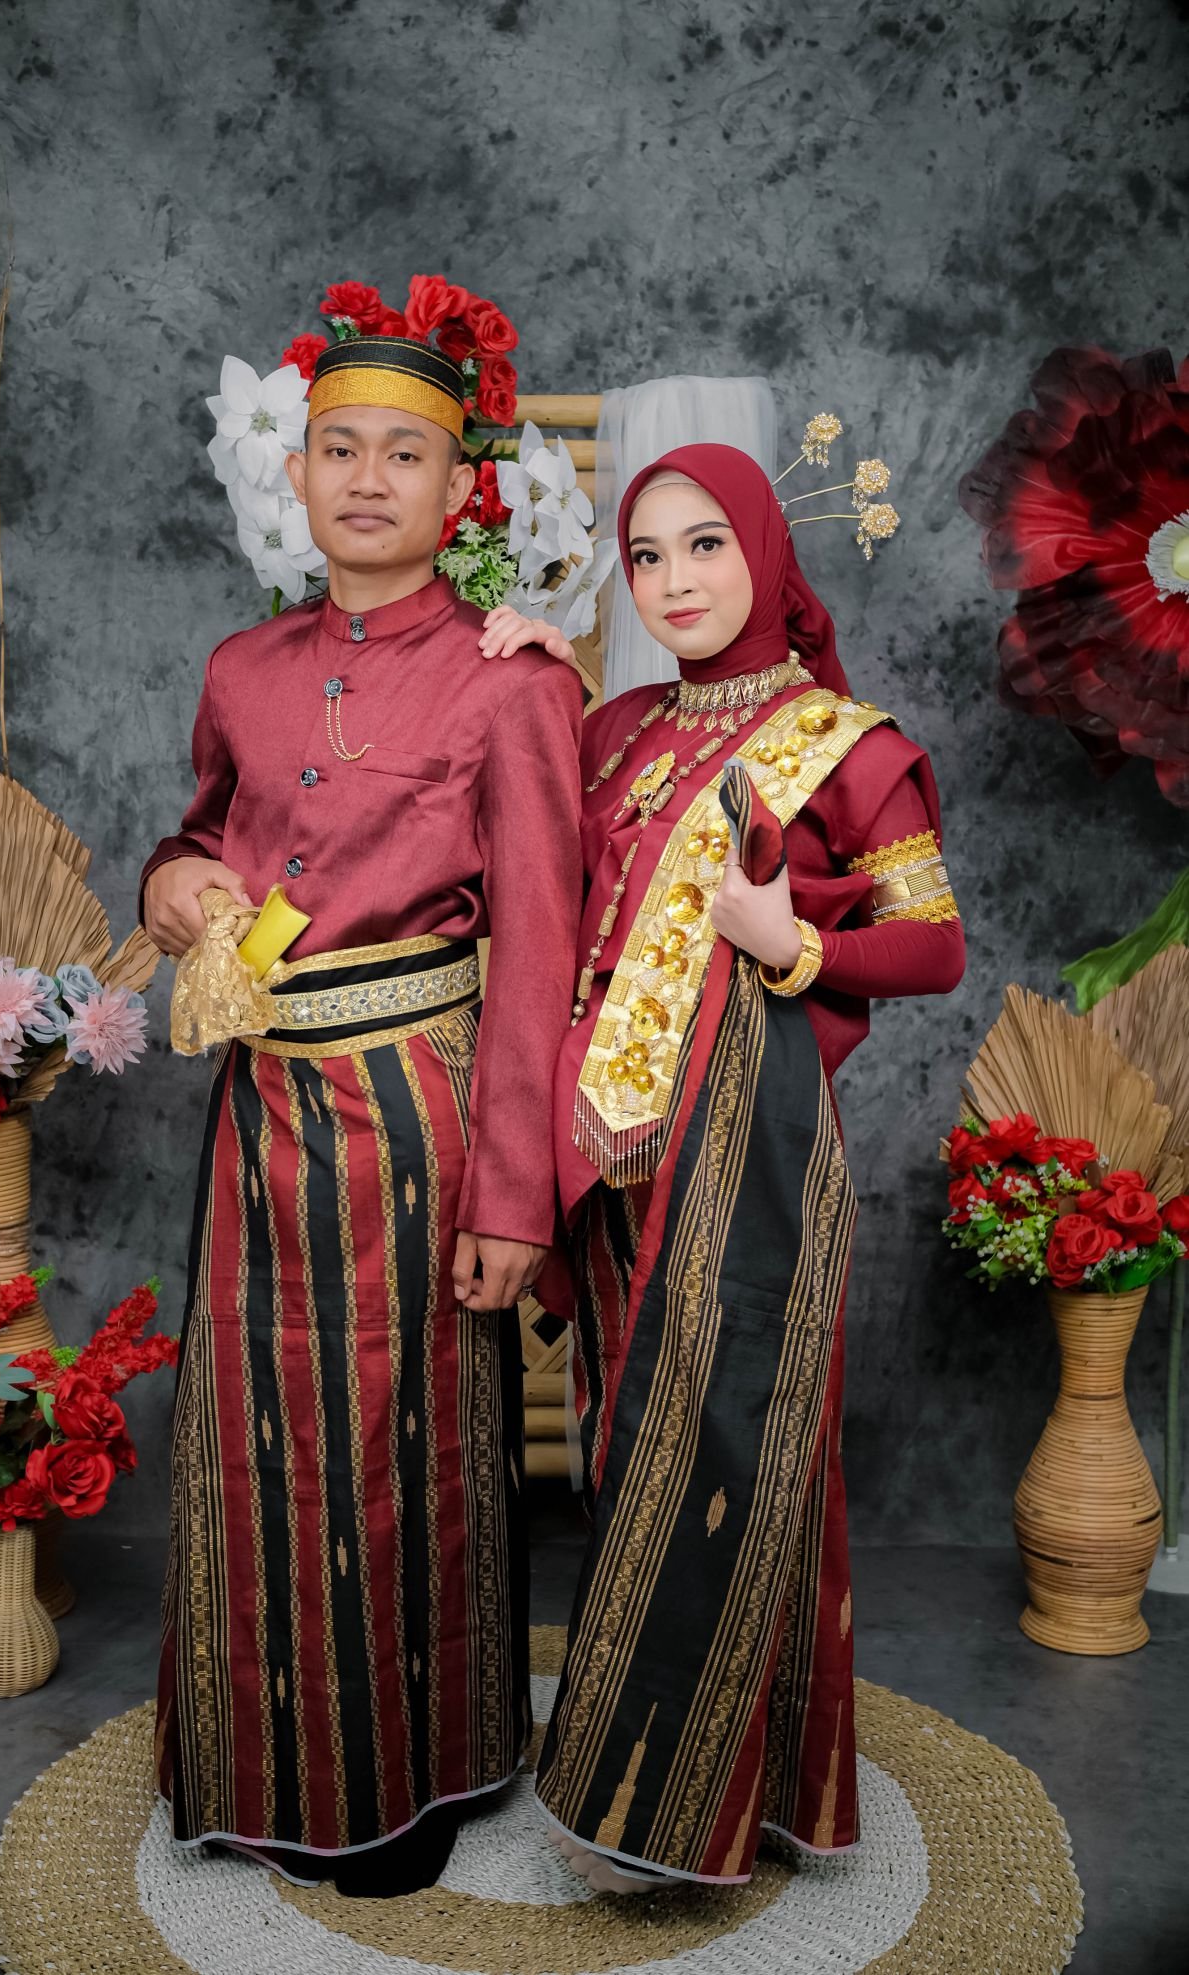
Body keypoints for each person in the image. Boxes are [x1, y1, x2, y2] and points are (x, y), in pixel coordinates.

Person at [142, 331, 583, 1897]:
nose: (369, 480)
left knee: (408, 1453)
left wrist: (515, 1197)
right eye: (340, 449)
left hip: (417, 1120)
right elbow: (197, 837)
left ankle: (410, 1785)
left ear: (462, 491)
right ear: (298, 473)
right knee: (255, 1447)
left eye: (406, 455)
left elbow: (543, 949)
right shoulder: (241, 670)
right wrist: (171, 886)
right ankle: (259, 1764)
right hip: (256, 1117)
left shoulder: (511, 681)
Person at [490, 442, 964, 1892]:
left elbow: (934, 946)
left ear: (763, 547)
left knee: (724, 1451)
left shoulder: (847, 744)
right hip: (608, 1153)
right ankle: (711, 1774)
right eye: (646, 556)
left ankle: (661, 1809)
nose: (674, 580)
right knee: (626, 1441)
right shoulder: (615, 728)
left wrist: (794, 944)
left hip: (749, 1151)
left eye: (705, 545)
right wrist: (525, 674)